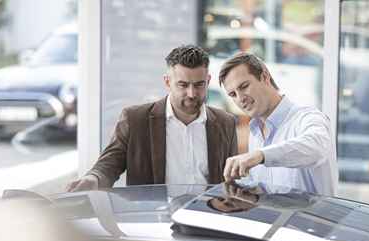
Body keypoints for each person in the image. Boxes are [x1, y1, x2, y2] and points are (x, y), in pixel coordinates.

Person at [66, 45, 237, 192]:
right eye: (183, 85)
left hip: (207, 218)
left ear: (208, 81)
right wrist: (94, 179)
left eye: (199, 85)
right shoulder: (135, 120)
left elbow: (231, 180)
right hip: (153, 220)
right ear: (167, 82)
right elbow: (110, 162)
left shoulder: (226, 123)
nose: (192, 93)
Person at [218, 52, 338, 196]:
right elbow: (271, 190)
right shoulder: (255, 133)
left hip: (313, 218)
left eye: (244, 86)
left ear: (264, 76)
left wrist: (260, 155)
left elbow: (317, 146)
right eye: (233, 94)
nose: (240, 98)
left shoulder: (308, 117)